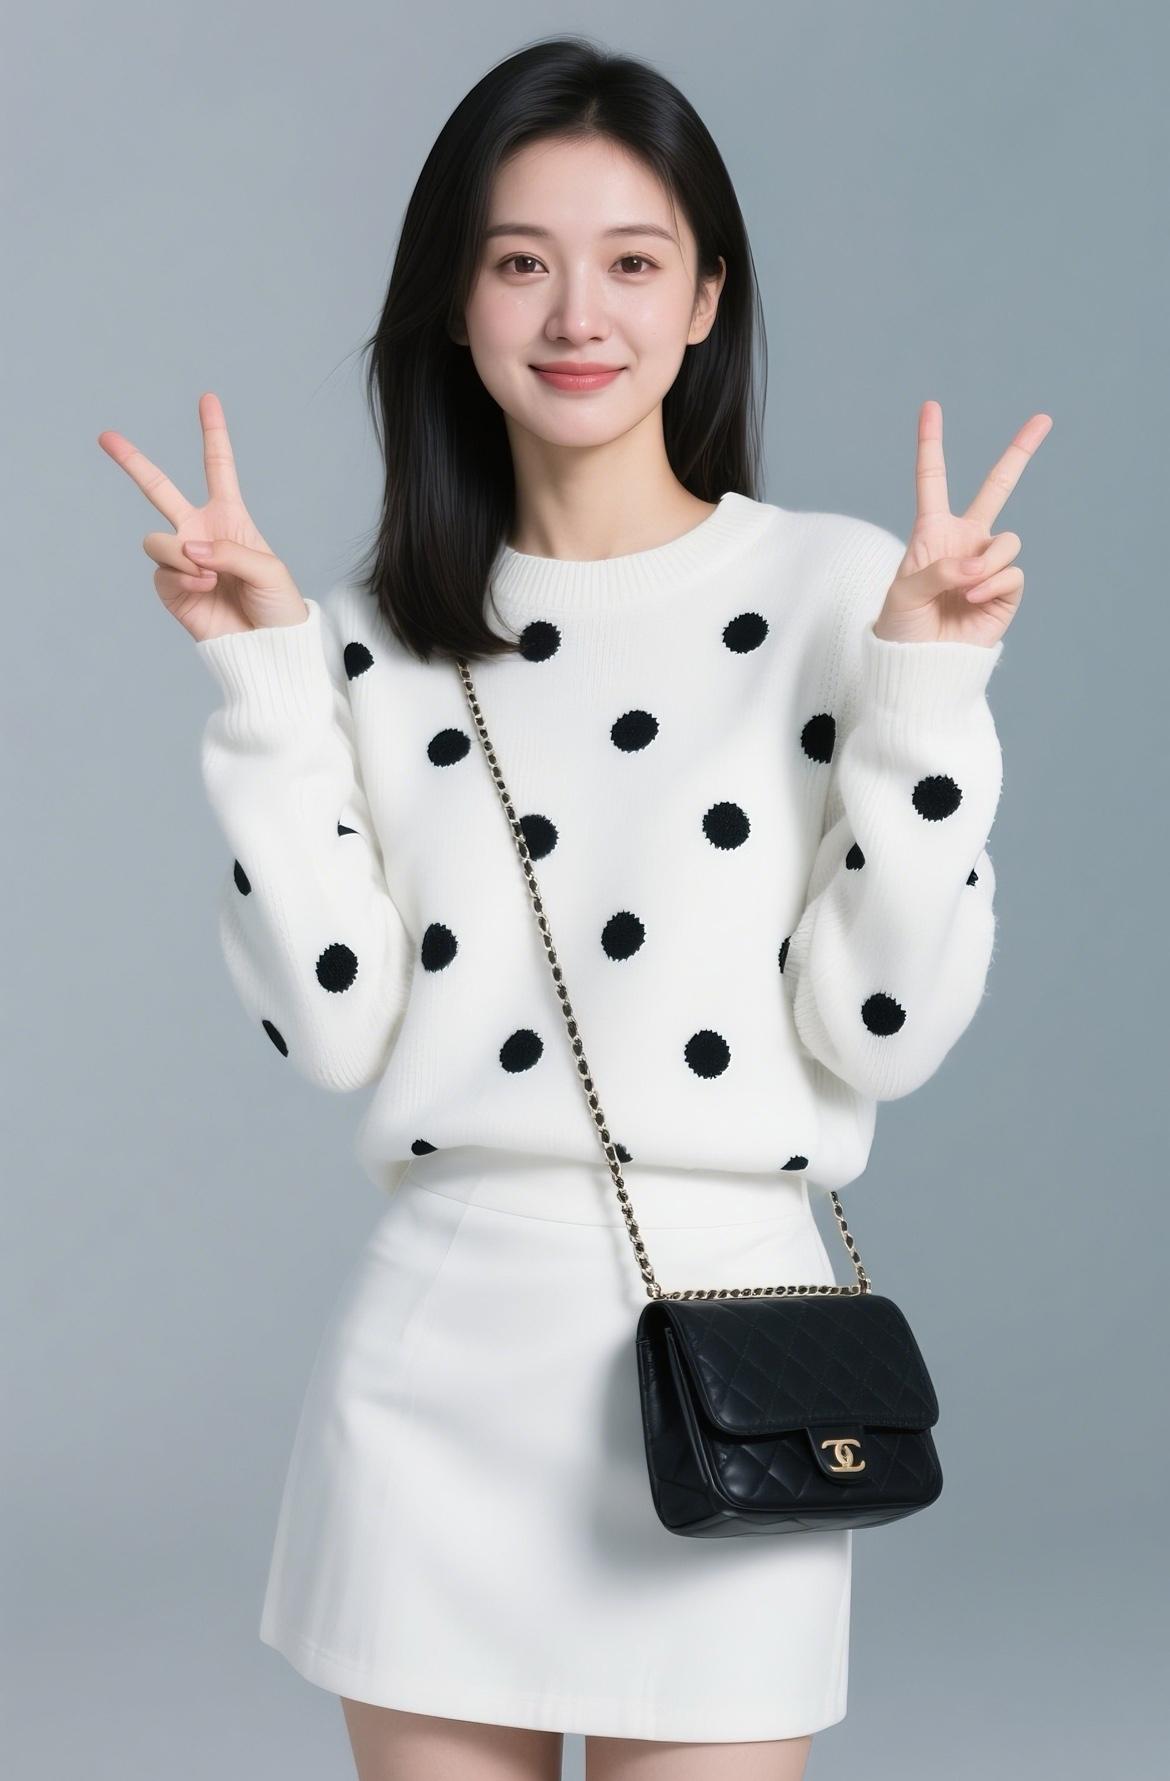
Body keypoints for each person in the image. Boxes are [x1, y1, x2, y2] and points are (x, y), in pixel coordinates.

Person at [98, 33, 1049, 1781]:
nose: (575, 314)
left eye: (630, 261)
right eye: (519, 262)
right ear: (453, 303)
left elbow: (883, 1033)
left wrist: (926, 690)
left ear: (705, 299)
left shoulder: (846, 590)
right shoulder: (364, 637)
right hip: (440, 1365)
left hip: (742, 1358)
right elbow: (333, 1027)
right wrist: (260, 679)